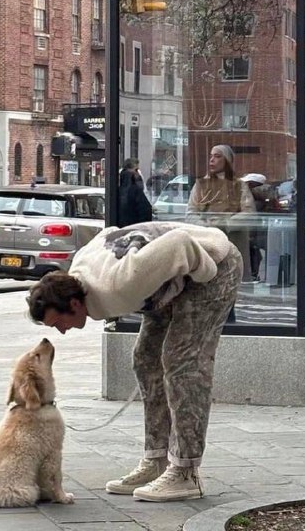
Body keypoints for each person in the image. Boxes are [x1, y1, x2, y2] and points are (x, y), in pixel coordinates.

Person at [26, 222, 242, 502]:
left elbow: (180, 242)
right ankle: (157, 461)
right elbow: (108, 232)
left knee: (183, 362)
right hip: (168, 282)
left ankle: (186, 473)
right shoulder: (80, 272)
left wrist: (202, 275)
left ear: (76, 305)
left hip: (213, 265)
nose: (61, 331)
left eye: (59, 322)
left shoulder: (120, 284)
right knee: (145, 359)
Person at [186, 145, 256, 281]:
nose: (212, 160)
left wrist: (226, 223)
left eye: (217, 156)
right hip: (207, 242)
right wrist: (206, 227)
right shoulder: (201, 185)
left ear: (227, 161)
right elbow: (190, 213)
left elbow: (250, 213)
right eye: (211, 156)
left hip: (233, 241)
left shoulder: (239, 185)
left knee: (232, 283)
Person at [241, 173, 268, 281]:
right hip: (253, 233)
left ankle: (252, 274)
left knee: (253, 254)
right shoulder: (256, 199)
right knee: (254, 254)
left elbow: (251, 218)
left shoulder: (254, 200)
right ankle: (252, 274)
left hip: (253, 233)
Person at [118, 158, 152, 227]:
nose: (138, 173)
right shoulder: (135, 190)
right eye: (136, 170)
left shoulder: (118, 188)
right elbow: (145, 210)